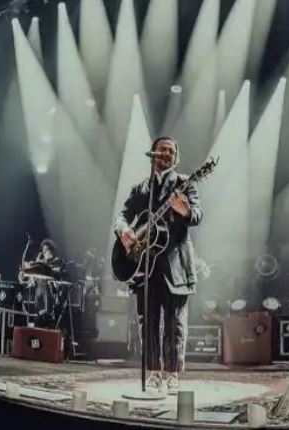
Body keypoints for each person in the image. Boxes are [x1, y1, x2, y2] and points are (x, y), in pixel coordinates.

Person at [113, 136, 202, 394]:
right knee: (148, 323)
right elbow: (122, 216)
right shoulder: (141, 189)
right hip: (144, 265)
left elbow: (197, 215)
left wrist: (185, 211)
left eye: (171, 151)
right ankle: (153, 373)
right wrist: (124, 232)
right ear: (153, 154)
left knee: (175, 325)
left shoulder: (184, 183)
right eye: (162, 149)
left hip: (176, 265)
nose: (166, 154)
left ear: (176, 157)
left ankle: (172, 374)